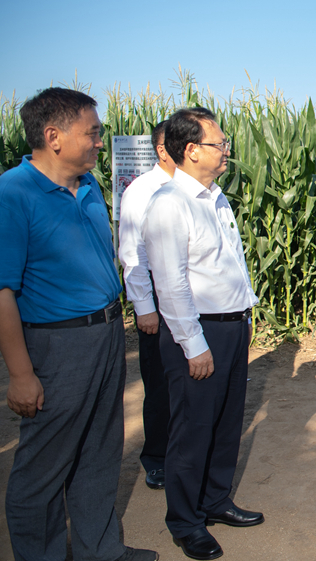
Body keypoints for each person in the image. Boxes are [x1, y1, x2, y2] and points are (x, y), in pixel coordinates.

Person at [0, 87, 157, 561]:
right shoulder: (13, 193)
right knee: (44, 466)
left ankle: (101, 551)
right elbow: (2, 291)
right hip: (57, 345)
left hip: (106, 334)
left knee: (99, 451)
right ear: (53, 137)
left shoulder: (87, 186)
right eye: (92, 133)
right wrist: (21, 374)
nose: (99, 142)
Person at [143, 107, 262, 560]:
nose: (226, 150)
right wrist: (194, 345)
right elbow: (170, 284)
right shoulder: (170, 204)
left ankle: (215, 500)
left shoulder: (216, 198)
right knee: (192, 429)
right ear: (192, 150)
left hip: (232, 326)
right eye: (220, 144)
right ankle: (185, 521)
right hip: (197, 331)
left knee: (226, 421)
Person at [118, 119, 176, 490]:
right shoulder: (142, 189)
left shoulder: (196, 187)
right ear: (161, 149)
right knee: (159, 379)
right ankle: (156, 458)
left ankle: (183, 454)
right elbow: (132, 252)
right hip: (156, 290)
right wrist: (144, 307)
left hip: (188, 290)